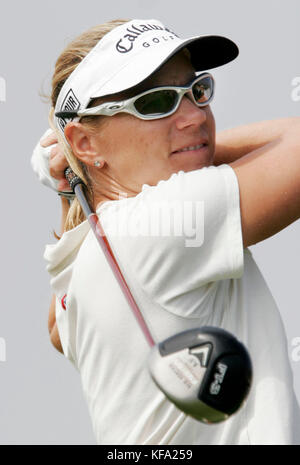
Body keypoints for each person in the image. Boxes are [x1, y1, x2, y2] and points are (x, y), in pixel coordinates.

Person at [31, 18, 300, 445]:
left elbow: (57, 329)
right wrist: (197, 146)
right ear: (85, 143)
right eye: (156, 103)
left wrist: (77, 183)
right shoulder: (160, 224)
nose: (195, 115)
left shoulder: (94, 251)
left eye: (196, 91)